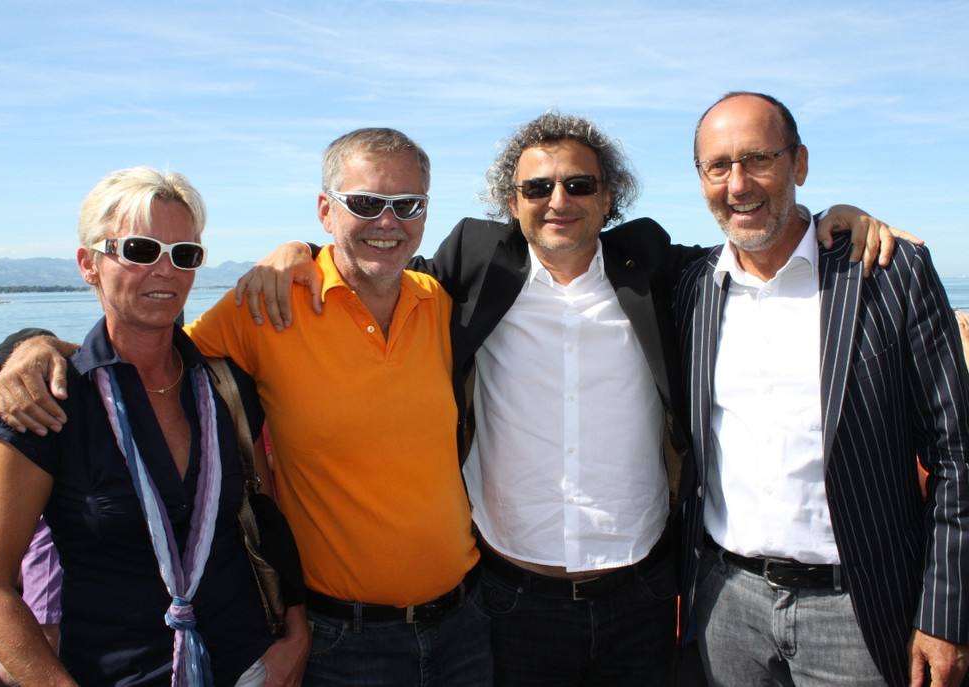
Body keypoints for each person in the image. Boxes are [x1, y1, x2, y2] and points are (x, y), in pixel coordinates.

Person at [232, 113, 904, 686]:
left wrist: (830, 222)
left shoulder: (651, 264)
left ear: (608, 198)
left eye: (579, 184)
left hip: (643, 595)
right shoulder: (475, 263)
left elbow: (752, 248)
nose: (559, 200)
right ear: (512, 201)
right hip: (509, 599)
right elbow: (376, 262)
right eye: (537, 187)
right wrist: (300, 252)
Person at [0, 132, 492, 686]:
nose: (388, 221)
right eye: (366, 202)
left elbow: (158, 343)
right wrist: (38, 348)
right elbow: (141, 342)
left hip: (466, 623)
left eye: (408, 204)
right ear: (325, 210)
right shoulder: (263, 307)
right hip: (343, 641)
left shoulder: (439, 302)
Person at [0, 167, 308, 686]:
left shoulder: (224, 387)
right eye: (141, 251)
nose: (165, 271)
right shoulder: (47, 403)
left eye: (184, 254)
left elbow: (266, 516)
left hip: (250, 667)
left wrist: (295, 637)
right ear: (89, 264)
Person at [675, 92, 969, 687]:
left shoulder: (888, 274)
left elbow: (956, 455)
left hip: (857, 610)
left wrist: (946, 615)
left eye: (759, 158)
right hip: (725, 604)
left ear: (799, 164)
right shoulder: (691, 289)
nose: (738, 184)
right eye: (718, 166)